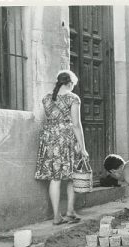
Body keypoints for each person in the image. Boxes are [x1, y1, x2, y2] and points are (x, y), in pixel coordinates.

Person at [35, 70, 89, 225]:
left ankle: (56, 216)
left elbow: (51, 119)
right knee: (72, 175)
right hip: (67, 139)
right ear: (70, 83)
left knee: (55, 177)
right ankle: (70, 211)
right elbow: (76, 125)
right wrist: (83, 147)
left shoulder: (46, 98)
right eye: (74, 85)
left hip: (50, 140)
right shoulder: (73, 98)